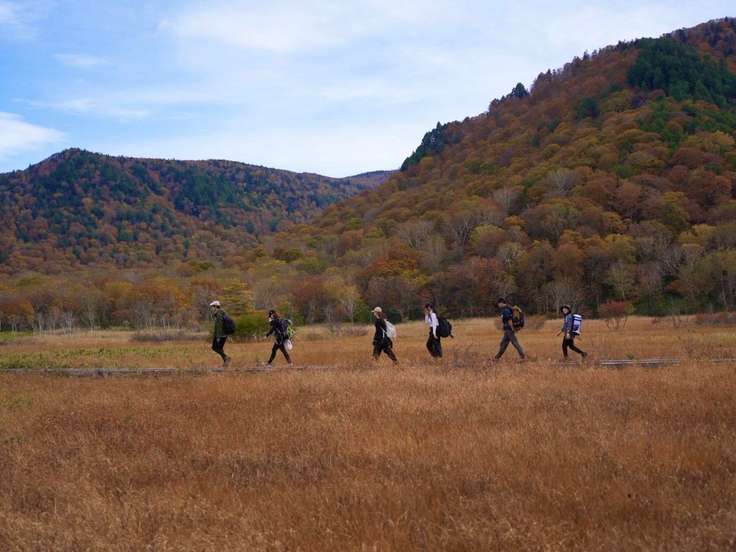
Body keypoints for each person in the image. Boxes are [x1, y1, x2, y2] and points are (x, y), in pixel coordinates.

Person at [210, 300, 231, 366]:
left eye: (212, 307)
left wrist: (218, 337)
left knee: (214, 347)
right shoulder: (222, 313)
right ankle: (225, 361)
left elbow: (219, 326)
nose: (211, 308)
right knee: (219, 348)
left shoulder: (219, 314)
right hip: (223, 335)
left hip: (220, 335)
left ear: (216, 306)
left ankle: (226, 358)